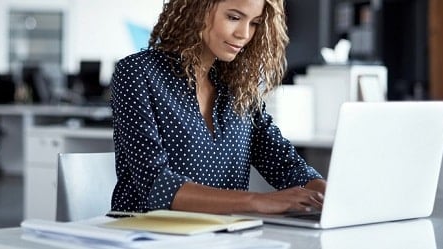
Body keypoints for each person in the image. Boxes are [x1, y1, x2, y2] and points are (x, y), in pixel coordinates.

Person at [110, 0, 326, 215]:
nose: (244, 34)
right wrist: (258, 201)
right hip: (145, 236)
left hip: (224, 237)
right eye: (234, 17)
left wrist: (329, 196)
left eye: (254, 23)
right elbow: (156, 186)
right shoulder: (137, 73)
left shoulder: (238, 87)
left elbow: (285, 165)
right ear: (198, 9)